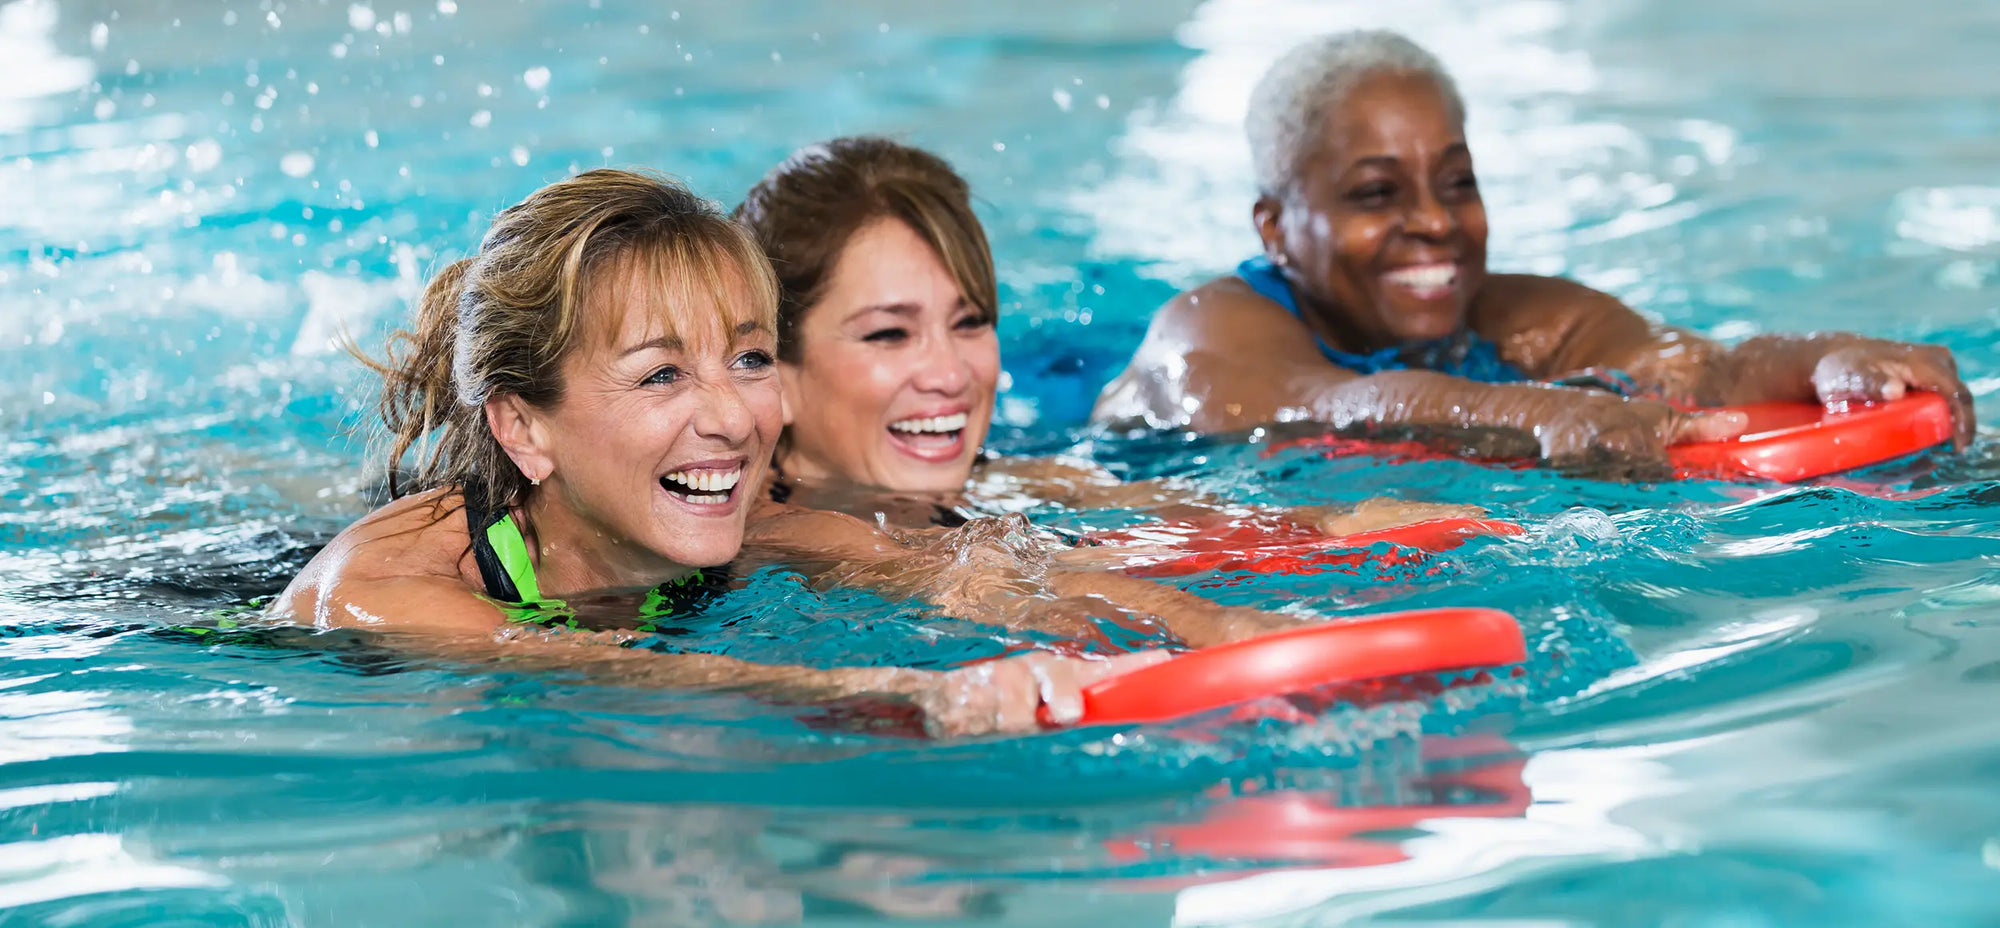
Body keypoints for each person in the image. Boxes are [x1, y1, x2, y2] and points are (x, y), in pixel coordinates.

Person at [267, 168, 1177, 737]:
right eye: (661, 375)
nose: (733, 419)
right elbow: (619, 675)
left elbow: (983, 577)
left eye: (748, 359)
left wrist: (1249, 635)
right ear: (523, 427)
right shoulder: (380, 594)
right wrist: (919, 691)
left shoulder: (746, 525)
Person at [1092, 30, 1976, 466]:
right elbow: (1330, 402)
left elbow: (1694, 368)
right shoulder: (1204, 331)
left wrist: (1830, 362)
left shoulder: (1523, 316)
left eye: (1458, 182)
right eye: (1376, 194)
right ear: (1276, 228)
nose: (1436, 223)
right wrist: (1540, 413)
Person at [732, 135, 1478, 535]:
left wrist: (1345, 523)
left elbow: (1193, 516)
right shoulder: (753, 538)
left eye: (970, 323)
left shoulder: (1001, 479)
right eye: (889, 335)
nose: (951, 374)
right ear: (774, 372)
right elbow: (985, 584)